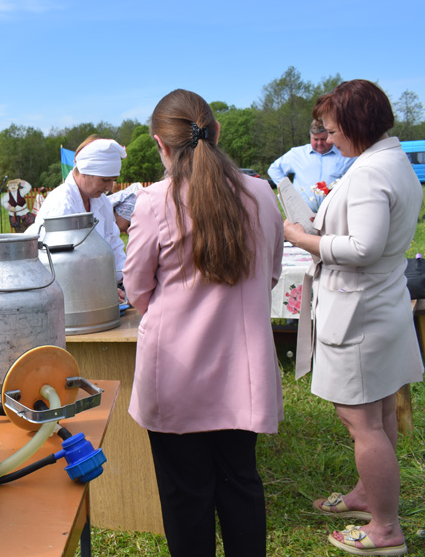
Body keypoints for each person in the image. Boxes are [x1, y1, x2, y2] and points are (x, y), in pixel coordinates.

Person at [124, 89, 284, 556]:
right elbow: (271, 273)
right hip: (243, 373)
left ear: (160, 144)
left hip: (176, 374)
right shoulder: (260, 193)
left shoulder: (154, 201)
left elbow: (137, 291)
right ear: (216, 131)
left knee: (184, 497)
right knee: (241, 485)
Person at [285, 79, 423, 556]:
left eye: (331, 127)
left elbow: (363, 248)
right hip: (378, 303)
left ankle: (385, 529)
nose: (327, 136)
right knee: (379, 411)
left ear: (353, 124)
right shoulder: (390, 160)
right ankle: (369, 495)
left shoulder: (368, 173)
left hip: (359, 310)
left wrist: (302, 239)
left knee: (360, 420)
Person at [27, 136, 127, 298]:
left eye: (113, 180)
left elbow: (113, 244)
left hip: (90, 288)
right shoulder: (62, 204)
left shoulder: (102, 202)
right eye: (105, 180)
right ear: (85, 172)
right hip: (62, 294)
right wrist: (102, 291)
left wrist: (128, 281)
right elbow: (64, 265)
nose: (109, 187)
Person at [268, 119, 356, 212]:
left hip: (336, 213)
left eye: (323, 139)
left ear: (330, 136)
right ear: (310, 137)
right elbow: (274, 169)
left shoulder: (346, 154)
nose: (319, 143)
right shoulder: (297, 154)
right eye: (315, 139)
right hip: (302, 214)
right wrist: (287, 190)